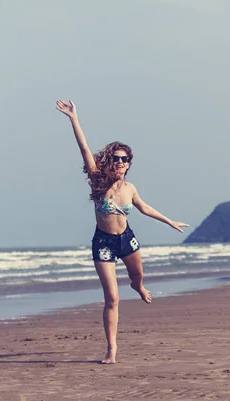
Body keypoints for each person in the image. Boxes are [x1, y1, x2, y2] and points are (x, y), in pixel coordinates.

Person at [56, 99, 189, 364]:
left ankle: (138, 287)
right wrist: (73, 118)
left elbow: (144, 208)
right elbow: (83, 148)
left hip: (127, 240)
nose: (119, 162)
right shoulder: (98, 179)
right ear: (109, 161)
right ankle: (111, 349)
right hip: (103, 243)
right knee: (113, 298)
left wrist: (169, 221)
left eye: (123, 159)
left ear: (129, 164)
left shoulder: (130, 189)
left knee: (137, 276)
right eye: (115, 158)